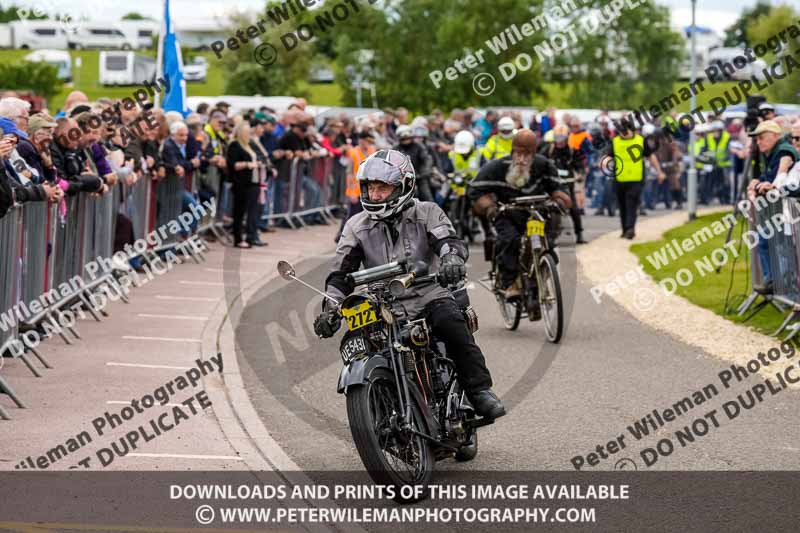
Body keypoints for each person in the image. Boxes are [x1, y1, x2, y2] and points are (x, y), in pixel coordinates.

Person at [313, 149, 506, 420]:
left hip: (428, 294)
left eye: (383, 187)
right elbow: (340, 274)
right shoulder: (356, 225)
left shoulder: (427, 212)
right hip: (382, 303)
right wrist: (330, 308)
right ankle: (378, 409)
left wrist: (451, 259)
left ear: (403, 186)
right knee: (362, 343)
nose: (375, 195)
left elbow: (447, 240)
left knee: (451, 323)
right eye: (369, 188)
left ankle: (479, 391)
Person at [469, 129, 572, 304]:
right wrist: (489, 207)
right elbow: (474, 190)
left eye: (528, 154)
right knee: (510, 240)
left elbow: (559, 189)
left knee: (549, 247)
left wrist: (560, 200)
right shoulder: (496, 167)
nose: (522, 158)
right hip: (506, 213)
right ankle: (510, 284)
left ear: (534, 153)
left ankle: (540, 276)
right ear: (512, 150)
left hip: (536, 213)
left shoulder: (544, 165)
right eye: (518, 153)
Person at [746, 119, 799, 294]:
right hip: (782, 212)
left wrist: (774, 187)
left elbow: (782, 170)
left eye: (761, 137)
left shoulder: (783, 150)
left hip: (788, 213)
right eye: (756, 138)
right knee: (766, 242)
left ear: (775, 136)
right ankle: (774, 283)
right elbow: (768, 176)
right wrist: (756, 183)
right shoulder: (771, 154)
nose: (758, 141)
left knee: (784, 250)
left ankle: (785, 290)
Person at [605, 122, 660, 239]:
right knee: (622, 205)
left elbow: (650, 156)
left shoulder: (640, 141)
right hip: (619, 179)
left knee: (631, 204)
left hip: (636, 179)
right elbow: (609, 156)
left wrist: (659, 171)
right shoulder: (615, 142)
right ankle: (625, 229)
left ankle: (630, 229)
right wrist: (605, 164)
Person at [546, 125, 586, 244]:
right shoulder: (548, 150)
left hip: (567, 185)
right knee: (544, 207)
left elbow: (580, 166)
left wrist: (580, 174)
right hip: (551, 185)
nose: (559, 142)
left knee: (574, 209)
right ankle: (547, 235)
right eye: (557, 138)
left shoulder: (572, 151)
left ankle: (579, 234)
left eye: (562, 139)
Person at [226, 121, 263, 248]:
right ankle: (238, 239)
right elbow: (233, 164)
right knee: (239, 212)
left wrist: (257, 163)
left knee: (252, 210)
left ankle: (251, 236)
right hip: (241, 183)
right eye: (247, 132)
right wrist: (248, 164)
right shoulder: (235, 145)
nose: (249, 134)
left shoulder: (249, 145)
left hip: (253, 181)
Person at [394, 124, 434, 202]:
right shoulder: (395, 149)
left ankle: (431, 212)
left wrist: (424, 172)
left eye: (408, 138)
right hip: (402, 179)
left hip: (419, 177)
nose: (406, 140)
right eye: (403, 139)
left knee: (427, 197)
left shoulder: (419, 147)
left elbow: (427, 160)